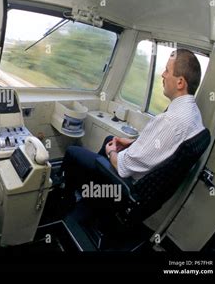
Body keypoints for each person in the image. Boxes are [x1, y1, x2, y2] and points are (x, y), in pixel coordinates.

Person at [60, 48, 205, 207]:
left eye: (167, 71)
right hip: (149, 182)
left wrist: (112, 153)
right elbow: (162, 147)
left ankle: (67, 199)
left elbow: (124, 166)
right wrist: (132, 144)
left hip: (129, 186)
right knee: (110, 139)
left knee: (73, 152)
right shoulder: (193, 114)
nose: (162, 75)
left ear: (180, 82)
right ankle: (92, 192)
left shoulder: (170, 120)